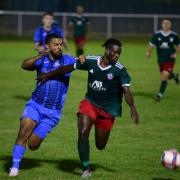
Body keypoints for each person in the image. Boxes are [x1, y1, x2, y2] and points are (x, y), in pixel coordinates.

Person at [37, 38, 139, 179]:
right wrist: (47, 75)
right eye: (115, 52)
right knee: (83, 131)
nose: (117, 56)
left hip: (109, 110)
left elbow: (127, 91)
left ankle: (96, 140)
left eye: (119, 53)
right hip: (90, 103)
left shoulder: (120, 70)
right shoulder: (91, 61)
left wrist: (132, 108)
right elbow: (67, 67)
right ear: (107, 50)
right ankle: (86, 169)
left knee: (100, 145)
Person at [9, 33, 82, 177]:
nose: (59, 47)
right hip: (35, 105)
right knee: (23, 131)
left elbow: (77, 64)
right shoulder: (42, 60)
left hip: (53, 112)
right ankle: (14, 167)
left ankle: (33, 137)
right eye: (55, 44)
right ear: (48, 46)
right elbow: (24, 65)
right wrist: (38, 56)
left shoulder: (67, 59)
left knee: (33, 145)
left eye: (60, 44)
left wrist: (82, 59)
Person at [146, 19, 180, 101]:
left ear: (170, 25)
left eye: (168, 23)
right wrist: (148, 52)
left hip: (170, 59)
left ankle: (159, 94)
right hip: (161, 59)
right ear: (162, 25)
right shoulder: (157, 35)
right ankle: (174, 75)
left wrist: (175, 53)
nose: (166, 25)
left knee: (165, 76)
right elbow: (151, 45)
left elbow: (179, 46)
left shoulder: (174, 35)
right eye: (164, 23)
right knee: (166, 76)